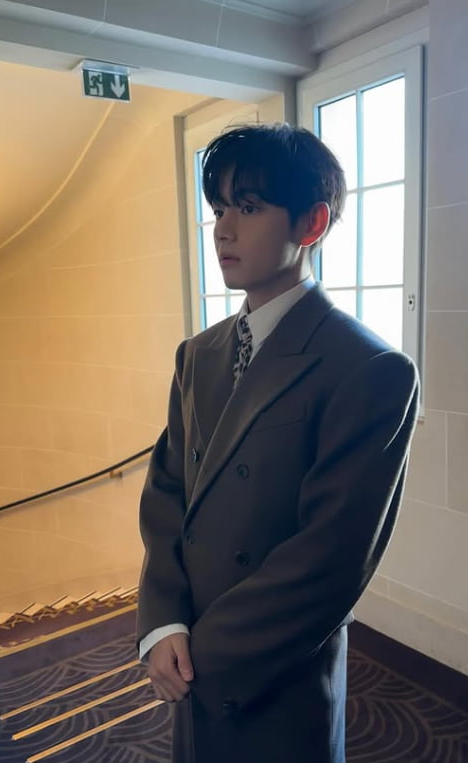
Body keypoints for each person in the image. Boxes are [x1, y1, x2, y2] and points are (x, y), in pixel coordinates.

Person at [136, 123, 419, 763]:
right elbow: (166, 492)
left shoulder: (368, 368)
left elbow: (330, 557)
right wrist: (163, 622)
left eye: (249, 206)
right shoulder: (198, 354)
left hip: (273, 670)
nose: (223, 230)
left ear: (311, 223)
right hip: (187, 648)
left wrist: (203, 655)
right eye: (219, 209)